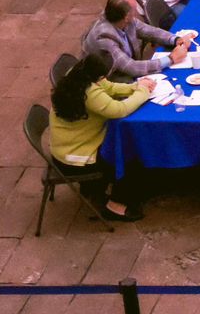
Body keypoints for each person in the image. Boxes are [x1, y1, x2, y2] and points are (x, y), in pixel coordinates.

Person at [48, 50, 154, 221]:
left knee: (121, 142)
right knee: (127, 153)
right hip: (76, 157)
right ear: (98, 75)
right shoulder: (90, 93)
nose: (104, 79)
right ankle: (115, 205)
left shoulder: (78, 74)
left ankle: (96, 188)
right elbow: (120, 110)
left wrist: (135, 87)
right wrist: (142, 92)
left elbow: (108, 87)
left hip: (68, 146)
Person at [82, 0, 196, 80]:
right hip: (111, 79)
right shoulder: (104, 38)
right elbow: (131, 67)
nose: (136, 11)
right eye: (134, 9)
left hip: (125, 70)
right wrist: (170, 58)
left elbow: (150, 31)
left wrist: (175, 39)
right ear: (126, 16)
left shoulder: (124, 20)